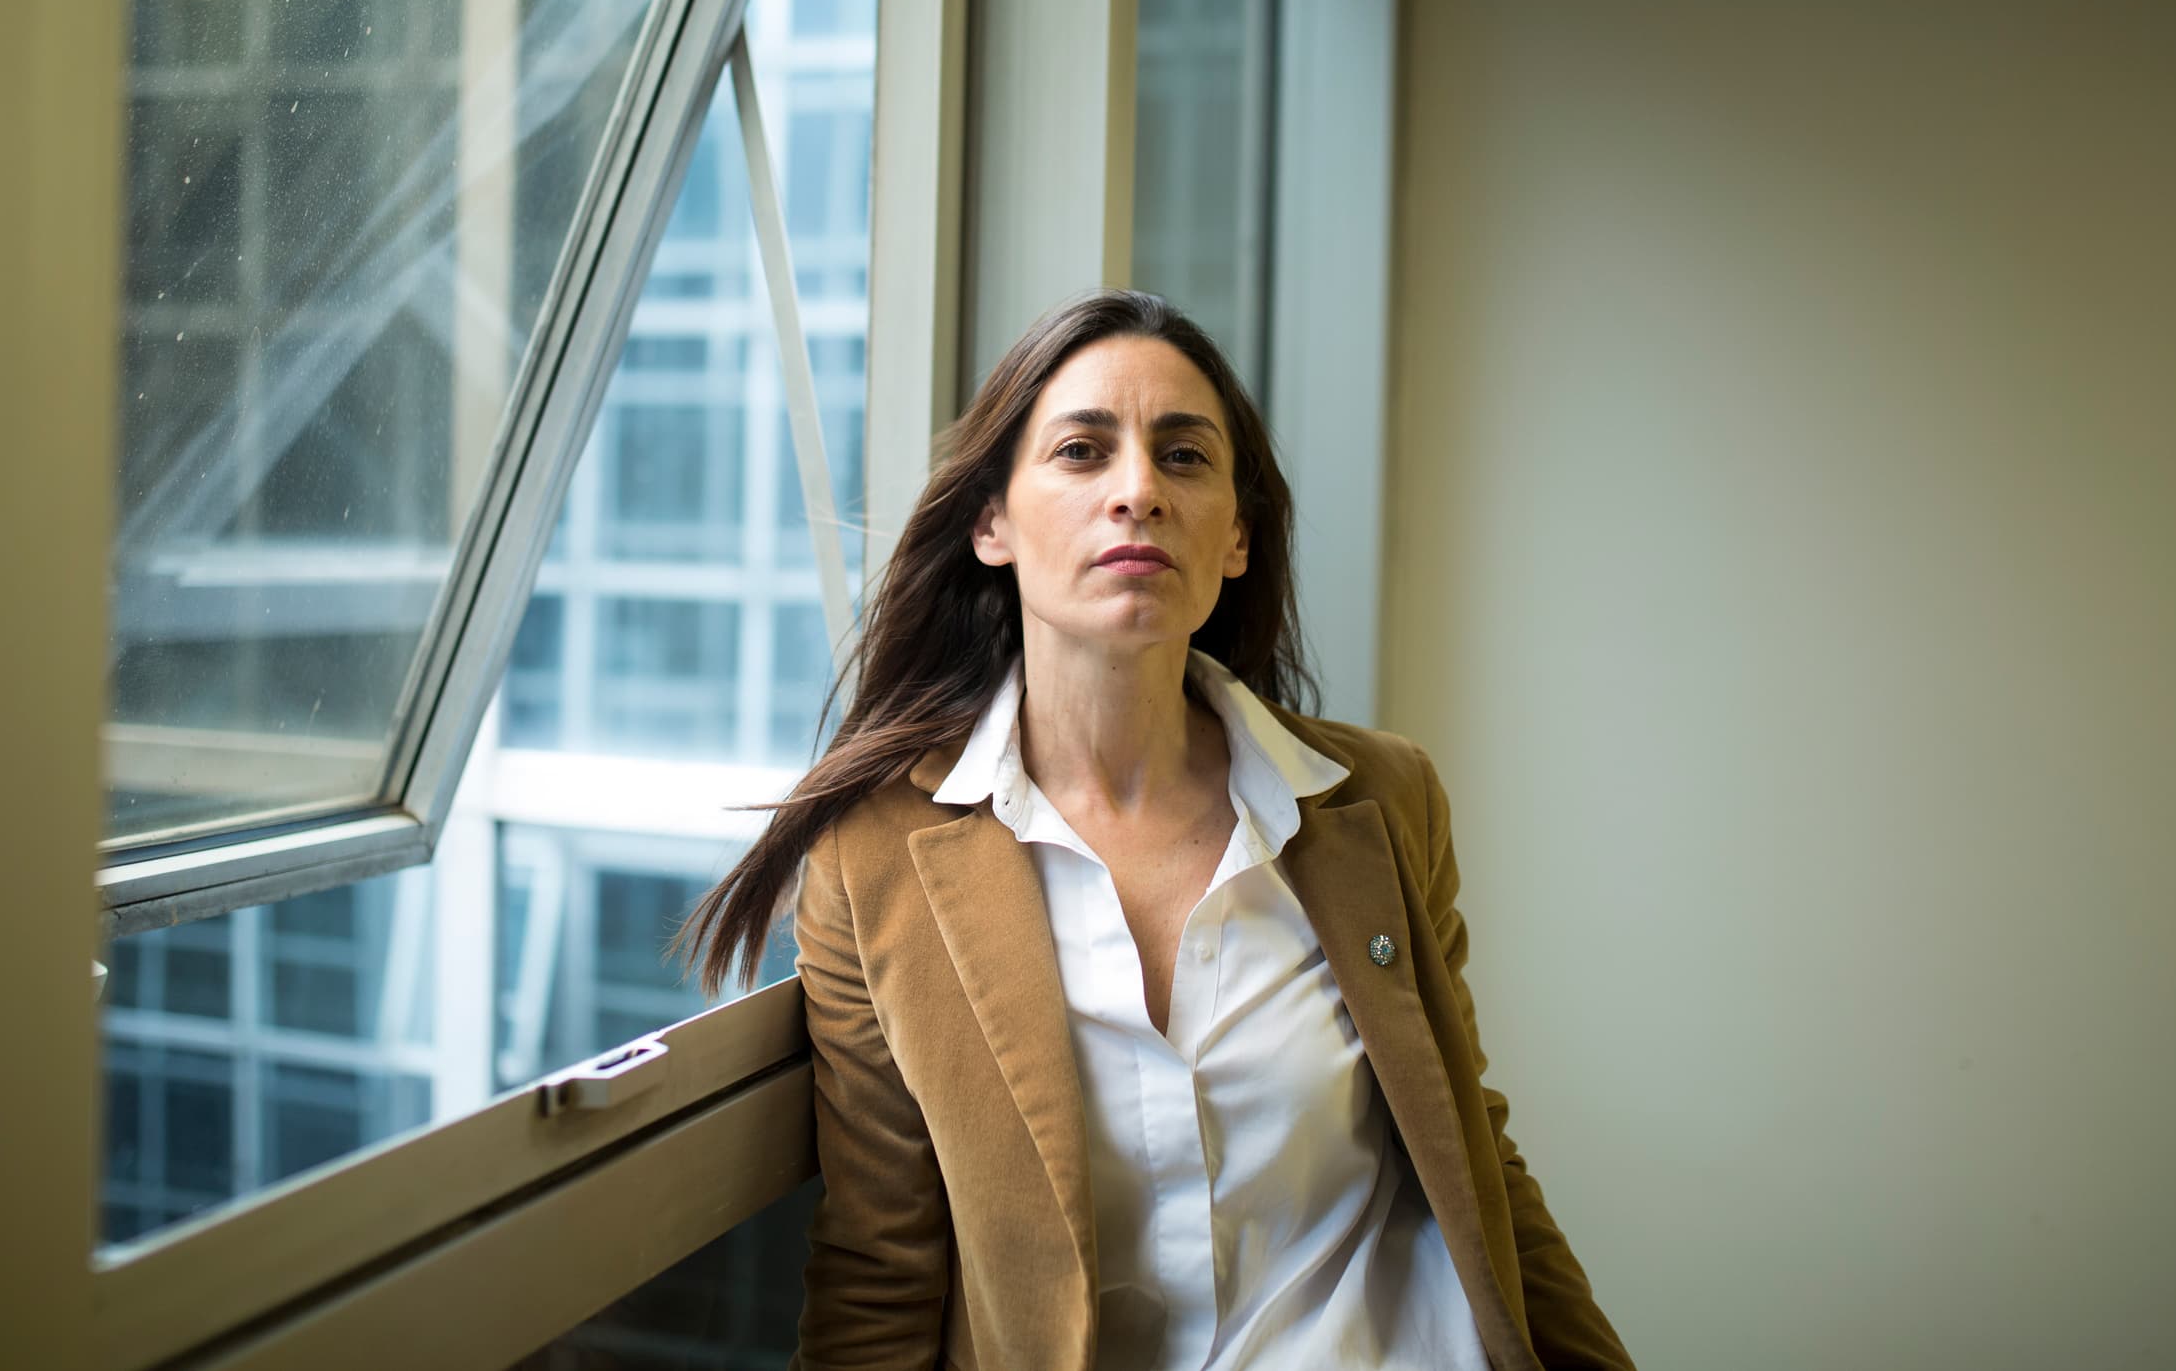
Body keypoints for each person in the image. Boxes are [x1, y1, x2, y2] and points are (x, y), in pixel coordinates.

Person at [683, 292, 1635, 1370]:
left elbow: (1476, 1160)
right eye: (1082, 451)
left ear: (1235, 536)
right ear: (991, 521)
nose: (1136, 490)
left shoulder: (1381, 799)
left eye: (1183, 457)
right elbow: (879, 1267)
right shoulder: (876, 861)